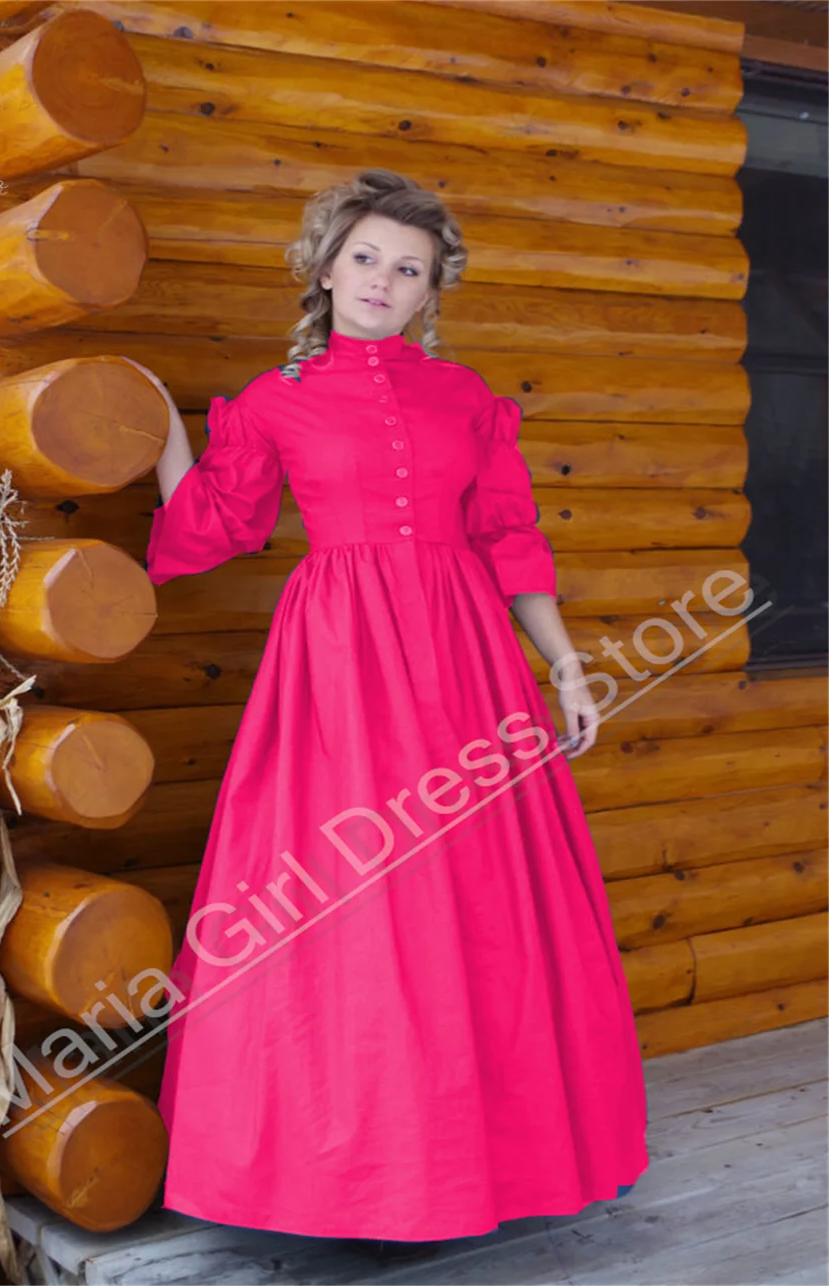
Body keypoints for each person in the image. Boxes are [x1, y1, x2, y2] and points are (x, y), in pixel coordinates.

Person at [144, 168, 649, 1262]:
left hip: (470, 663)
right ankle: (345, 1177)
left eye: (407, 268)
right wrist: (154, 433)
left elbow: (509, 539)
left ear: (431, 291)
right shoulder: (274, 400)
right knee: (354, 892)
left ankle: (492, 1160)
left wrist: (562, 663)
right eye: (365, 257)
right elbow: (218, 524)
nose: (382, 280)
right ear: (326, 268)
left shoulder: (467, 398)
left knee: (480, 899)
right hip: (338, 673)